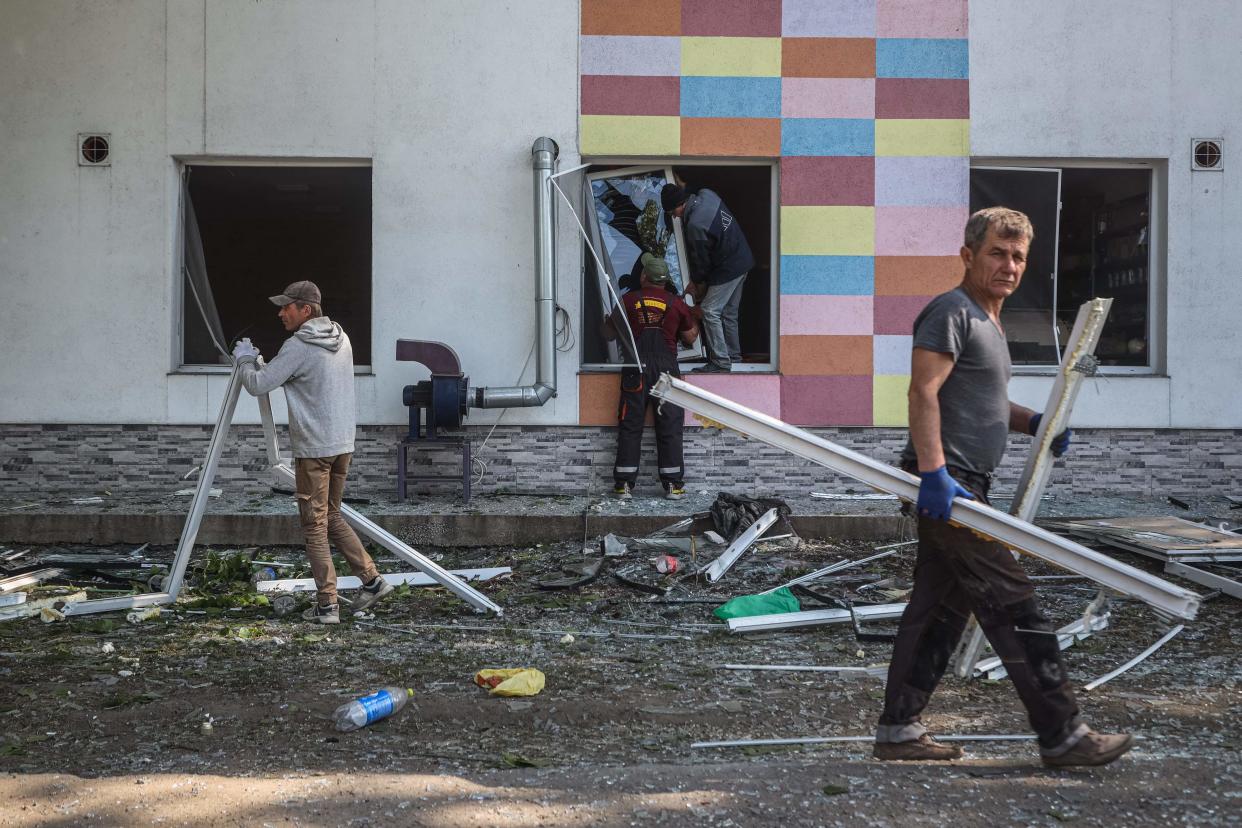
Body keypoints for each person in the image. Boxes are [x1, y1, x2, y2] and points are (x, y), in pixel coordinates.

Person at [873, 207, 1133, 767]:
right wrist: (933, 473)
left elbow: (981, 402)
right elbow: (923, 393)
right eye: (997, 252)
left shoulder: (989, 323)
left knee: (937, 612)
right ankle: (1063, 733)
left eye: (1018, 256)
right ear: (969, 255)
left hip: (964, 482)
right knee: (1016, 603)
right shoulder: (951, 312)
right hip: (953, 486)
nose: (1009, 265)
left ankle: (898, 730)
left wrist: (1033, 422)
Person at [231, 280, 393, 624]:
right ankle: (373, 581)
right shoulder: (341, 337)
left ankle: (327, 606)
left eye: (286, 306)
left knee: (314, 527)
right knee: (332, 516)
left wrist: (245, 360)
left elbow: (259, 384)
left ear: (306, 309)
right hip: (341, 445)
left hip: (315, 450)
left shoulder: (299, 345)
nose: (280, 312)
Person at [604, 253, 699, 500]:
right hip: (666, 370)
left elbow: (608, 335)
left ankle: (623, 485)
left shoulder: (627, 300)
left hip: (635, 368)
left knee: (630, 424)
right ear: (666, 281)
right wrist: (696, 317)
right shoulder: (676, 303)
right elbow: (690, 338)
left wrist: (606, 318)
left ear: (644, 276)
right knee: (669, 424)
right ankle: (673, 486)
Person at [661, 183, 753, 373]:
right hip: (743, 260)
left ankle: (720, 361)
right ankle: (733, 358)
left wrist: (696, 283)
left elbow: (701, 261)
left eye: (673, 212)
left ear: (680, 205)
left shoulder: (696, 224)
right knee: (728, 312)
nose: (674, 216)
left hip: (729, 268)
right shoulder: (708, 194)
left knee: (710, 311)